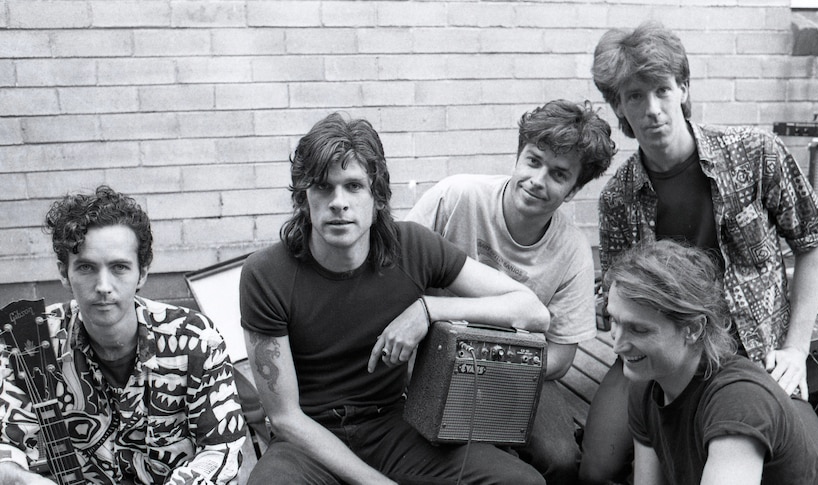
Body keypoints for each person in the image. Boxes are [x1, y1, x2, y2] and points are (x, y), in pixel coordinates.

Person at [239, 112, 551, 485]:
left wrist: (429, 308)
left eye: (353, 186)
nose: (338, 202)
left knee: (521, 482)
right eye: (323, 186)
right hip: (308, 442)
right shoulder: (266, 274)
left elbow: (532, 311)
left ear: (378, 197)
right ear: (304, 198)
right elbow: (286, 417)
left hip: (392, 425)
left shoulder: (413, 248)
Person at [579, 21, 818, 484]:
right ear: (618, 106)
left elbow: (811, 244)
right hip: (667, 352)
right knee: (595, 465)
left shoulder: (756, 153)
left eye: (662, 90)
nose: (652, 109)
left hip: (754, 354)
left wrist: (796, 348)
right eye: (635, 96)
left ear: (684, 89)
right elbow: (615, 288)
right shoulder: (618, 196)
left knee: (811, 467)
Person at [406, 98, 615, 484]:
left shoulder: (573, 253)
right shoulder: (456, 197)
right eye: (533, 161)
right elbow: (398, 271)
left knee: (562, 458)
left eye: (558, 174)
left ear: (572, 190)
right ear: (518, 157)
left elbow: (562, 357)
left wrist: (492, 368)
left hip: (517, 373)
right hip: (428, 357)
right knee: (427, 439)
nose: (538, 180)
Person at [0, 186, 247, 485]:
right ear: (64, 274)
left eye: (119, 267)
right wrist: (24, 479)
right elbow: (5, 447)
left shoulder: (194, 339)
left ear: (142, 273)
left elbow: (220, 449)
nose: (103, 285)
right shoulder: (30, 341)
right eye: (87, 267)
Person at [605, 240, 818, 484]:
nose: (617, 345)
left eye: (639, 330)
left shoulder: (737, 402)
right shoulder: (646, 380)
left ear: (693, 329)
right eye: (613, 320)